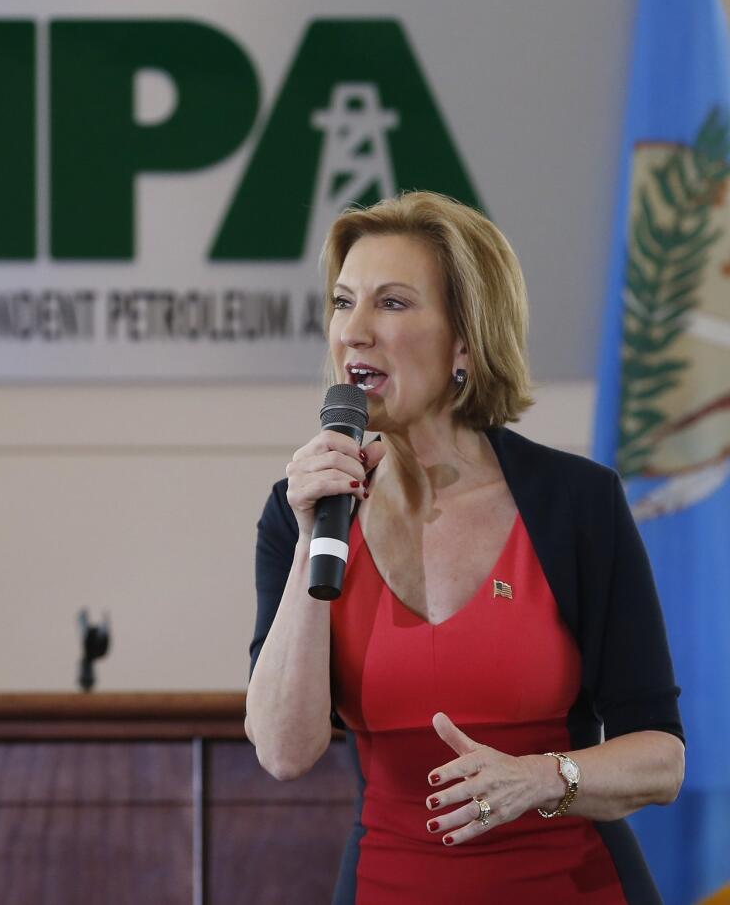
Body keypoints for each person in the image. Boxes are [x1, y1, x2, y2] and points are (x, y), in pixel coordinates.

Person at [243, 192, 685, 904]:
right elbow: (284, 752)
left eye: (391, 304)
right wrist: (307, 539)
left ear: (465, 343)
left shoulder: (577, 505)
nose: (353, 332)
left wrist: (546, 777)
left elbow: (661, 759)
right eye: (342, 302)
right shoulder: (301, 515)